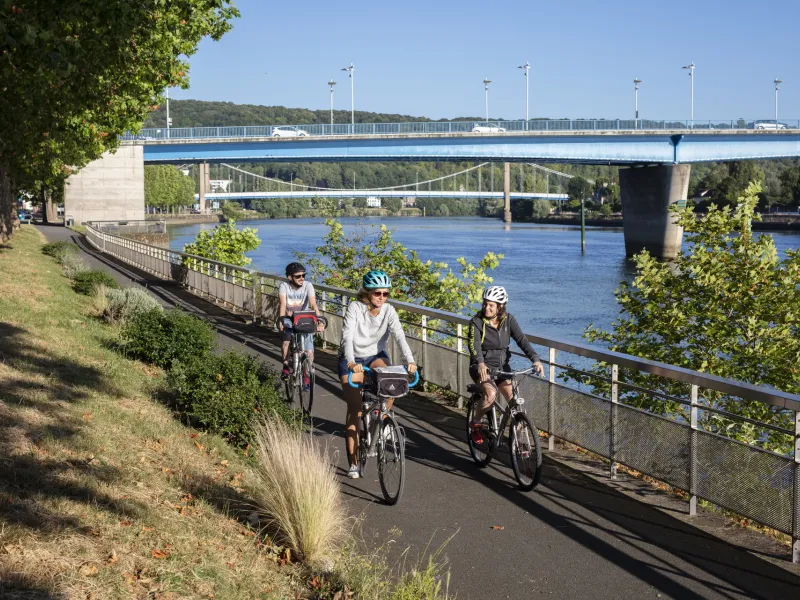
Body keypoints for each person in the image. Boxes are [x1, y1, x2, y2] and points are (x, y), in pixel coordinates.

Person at [339, 269, 417, 479]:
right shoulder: (355, 308)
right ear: (367, 293)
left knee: (393, 379)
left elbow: (399, 336)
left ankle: (381, 417)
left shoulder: (389, 311)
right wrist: (351, 362)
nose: (382, 297)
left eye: (385, 294)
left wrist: (410, 361)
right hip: (352, 358)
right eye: (377, 293)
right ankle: (354, 463)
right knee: (354, 410)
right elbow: (347, 337)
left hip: (375, 356)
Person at [467, 285, 544, 444]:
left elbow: (522, 340)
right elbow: (473, 345)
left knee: (515, 401)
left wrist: (535, 359)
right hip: (481, 366)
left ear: (500, 307)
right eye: (485, 303)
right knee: (491, 394)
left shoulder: (509, 320)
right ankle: (476, 422)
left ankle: (519, 440)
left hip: (502, 367)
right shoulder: (476, 322)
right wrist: (481, 364)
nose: (486, 307)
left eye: (491, 305)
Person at [278, 262, 323, 389]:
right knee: (286, 342)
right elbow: (282, 304)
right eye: (298, 276)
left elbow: (313, 304)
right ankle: (286, 366)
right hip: (288, 318)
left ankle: (306, 374)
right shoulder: (284, 286)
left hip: (304, 318)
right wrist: (281, 320)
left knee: (309, 351)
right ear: (290, 277)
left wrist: (319, 321)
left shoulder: (308, 285)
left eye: (303, 275)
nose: (302, 278)